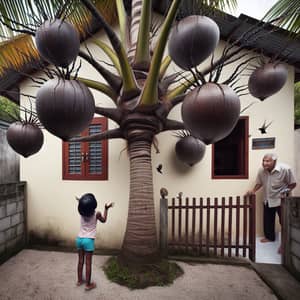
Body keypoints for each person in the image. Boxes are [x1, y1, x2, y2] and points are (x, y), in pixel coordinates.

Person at [247, 153, 296, 249]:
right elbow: (259, 183)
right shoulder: (262, 171)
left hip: (281, 200)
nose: (264, 163)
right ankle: (270, 237)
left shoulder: (285, 169)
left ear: (274, 161)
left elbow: (293, 184)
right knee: (268, 220)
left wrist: (284, 192)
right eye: (263, 161)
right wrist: (253, 191)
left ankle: (286, 244)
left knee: (285, 221)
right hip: (267, 199)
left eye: (267, 161)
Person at [76, 193, 113, 291]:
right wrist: (106, 208)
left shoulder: (81, 212)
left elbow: (82, 204)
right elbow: (104, 220)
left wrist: (79, 200)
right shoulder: (97, 214)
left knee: (80, 261)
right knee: (88, 263)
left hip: (79, 239)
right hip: (88, 240)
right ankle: (88, 285)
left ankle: (79, 281)